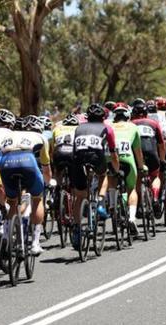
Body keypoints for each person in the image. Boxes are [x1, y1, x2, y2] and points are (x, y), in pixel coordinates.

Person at [0, 115, 52, 255]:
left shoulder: (10, 134)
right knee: (37, 198)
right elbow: (46, 168)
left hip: (6, 163)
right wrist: (47, 183)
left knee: (12, 201)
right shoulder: (41, 137)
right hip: (27, 161)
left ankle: (6, 234)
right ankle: (35, 243)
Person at [70, 103, 119, 250]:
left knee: (80, 196)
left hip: (78, 160)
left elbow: (75, 149)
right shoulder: (107, 128)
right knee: (103, 175)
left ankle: (77, 229)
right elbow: (113, 153)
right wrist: (116, 169)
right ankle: (100, 201)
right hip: (96, 158)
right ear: (103, 117)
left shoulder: (78, 128)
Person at [111, 103, 145, 235]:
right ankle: (131, 218)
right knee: (132, 188)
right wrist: (141, 167)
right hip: (128, 159)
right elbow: (138, 152)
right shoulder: (133, 127)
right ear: (127, 116)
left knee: (111, 181)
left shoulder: (109, 127)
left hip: (112, 160)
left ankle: (113, 208)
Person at [130, 101, 166, 216]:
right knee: (155, 175)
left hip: (137, 152)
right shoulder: (153, 123)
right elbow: (161, 144)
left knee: (138, 176)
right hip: (151, 151)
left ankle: (139, 204)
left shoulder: (130, 123)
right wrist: (162, 159)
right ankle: (155, 198)